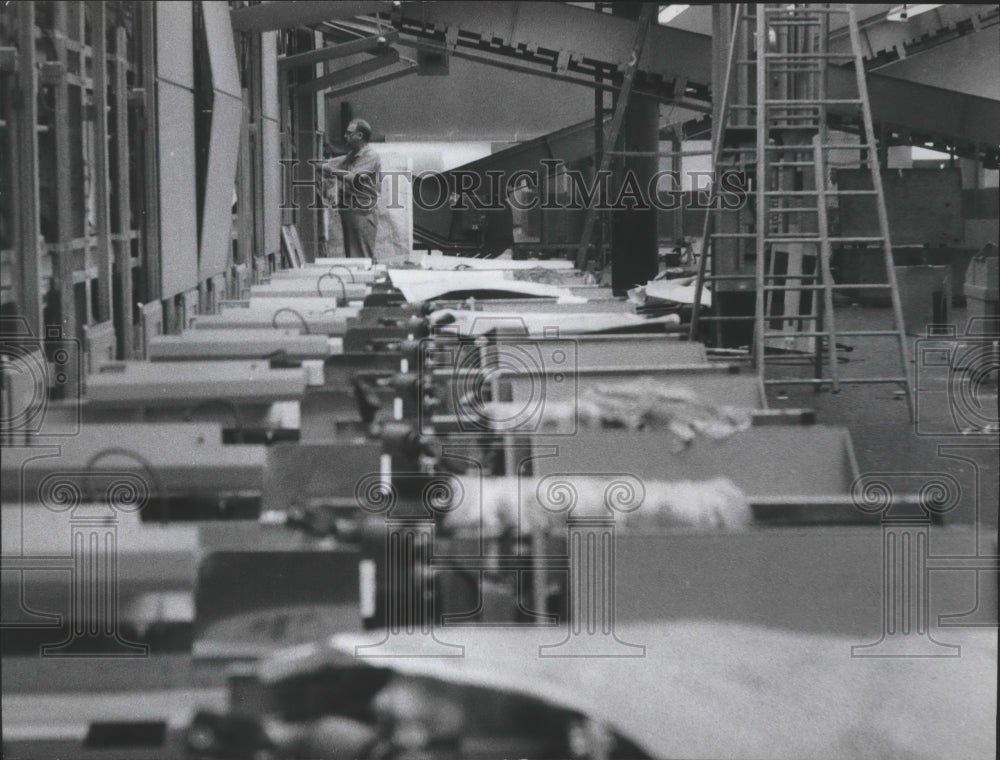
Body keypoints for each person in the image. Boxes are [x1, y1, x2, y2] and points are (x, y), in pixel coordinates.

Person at [322, 119, 381, 259]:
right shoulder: (352, 155)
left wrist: (328, 170)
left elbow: (352, 177)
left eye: (349, 133)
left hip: (361, 211)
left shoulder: (370, 155)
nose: (345, 136)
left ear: (360, 135)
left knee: (361, 254)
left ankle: (364, 279)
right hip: (351, 209)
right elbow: (336, 165)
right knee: (354, 253)